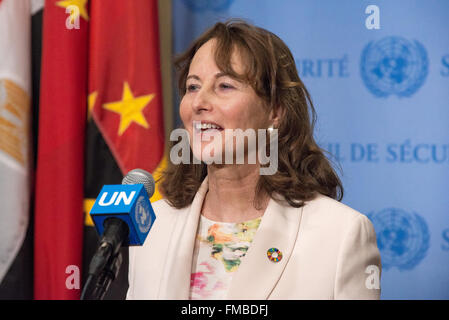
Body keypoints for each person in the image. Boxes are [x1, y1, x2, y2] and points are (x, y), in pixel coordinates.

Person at [126, 20, 381, 300]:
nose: (199, 102)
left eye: (224, 85)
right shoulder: (152, 225)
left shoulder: (341, 234)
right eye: (192, 87)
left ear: (275, 110)